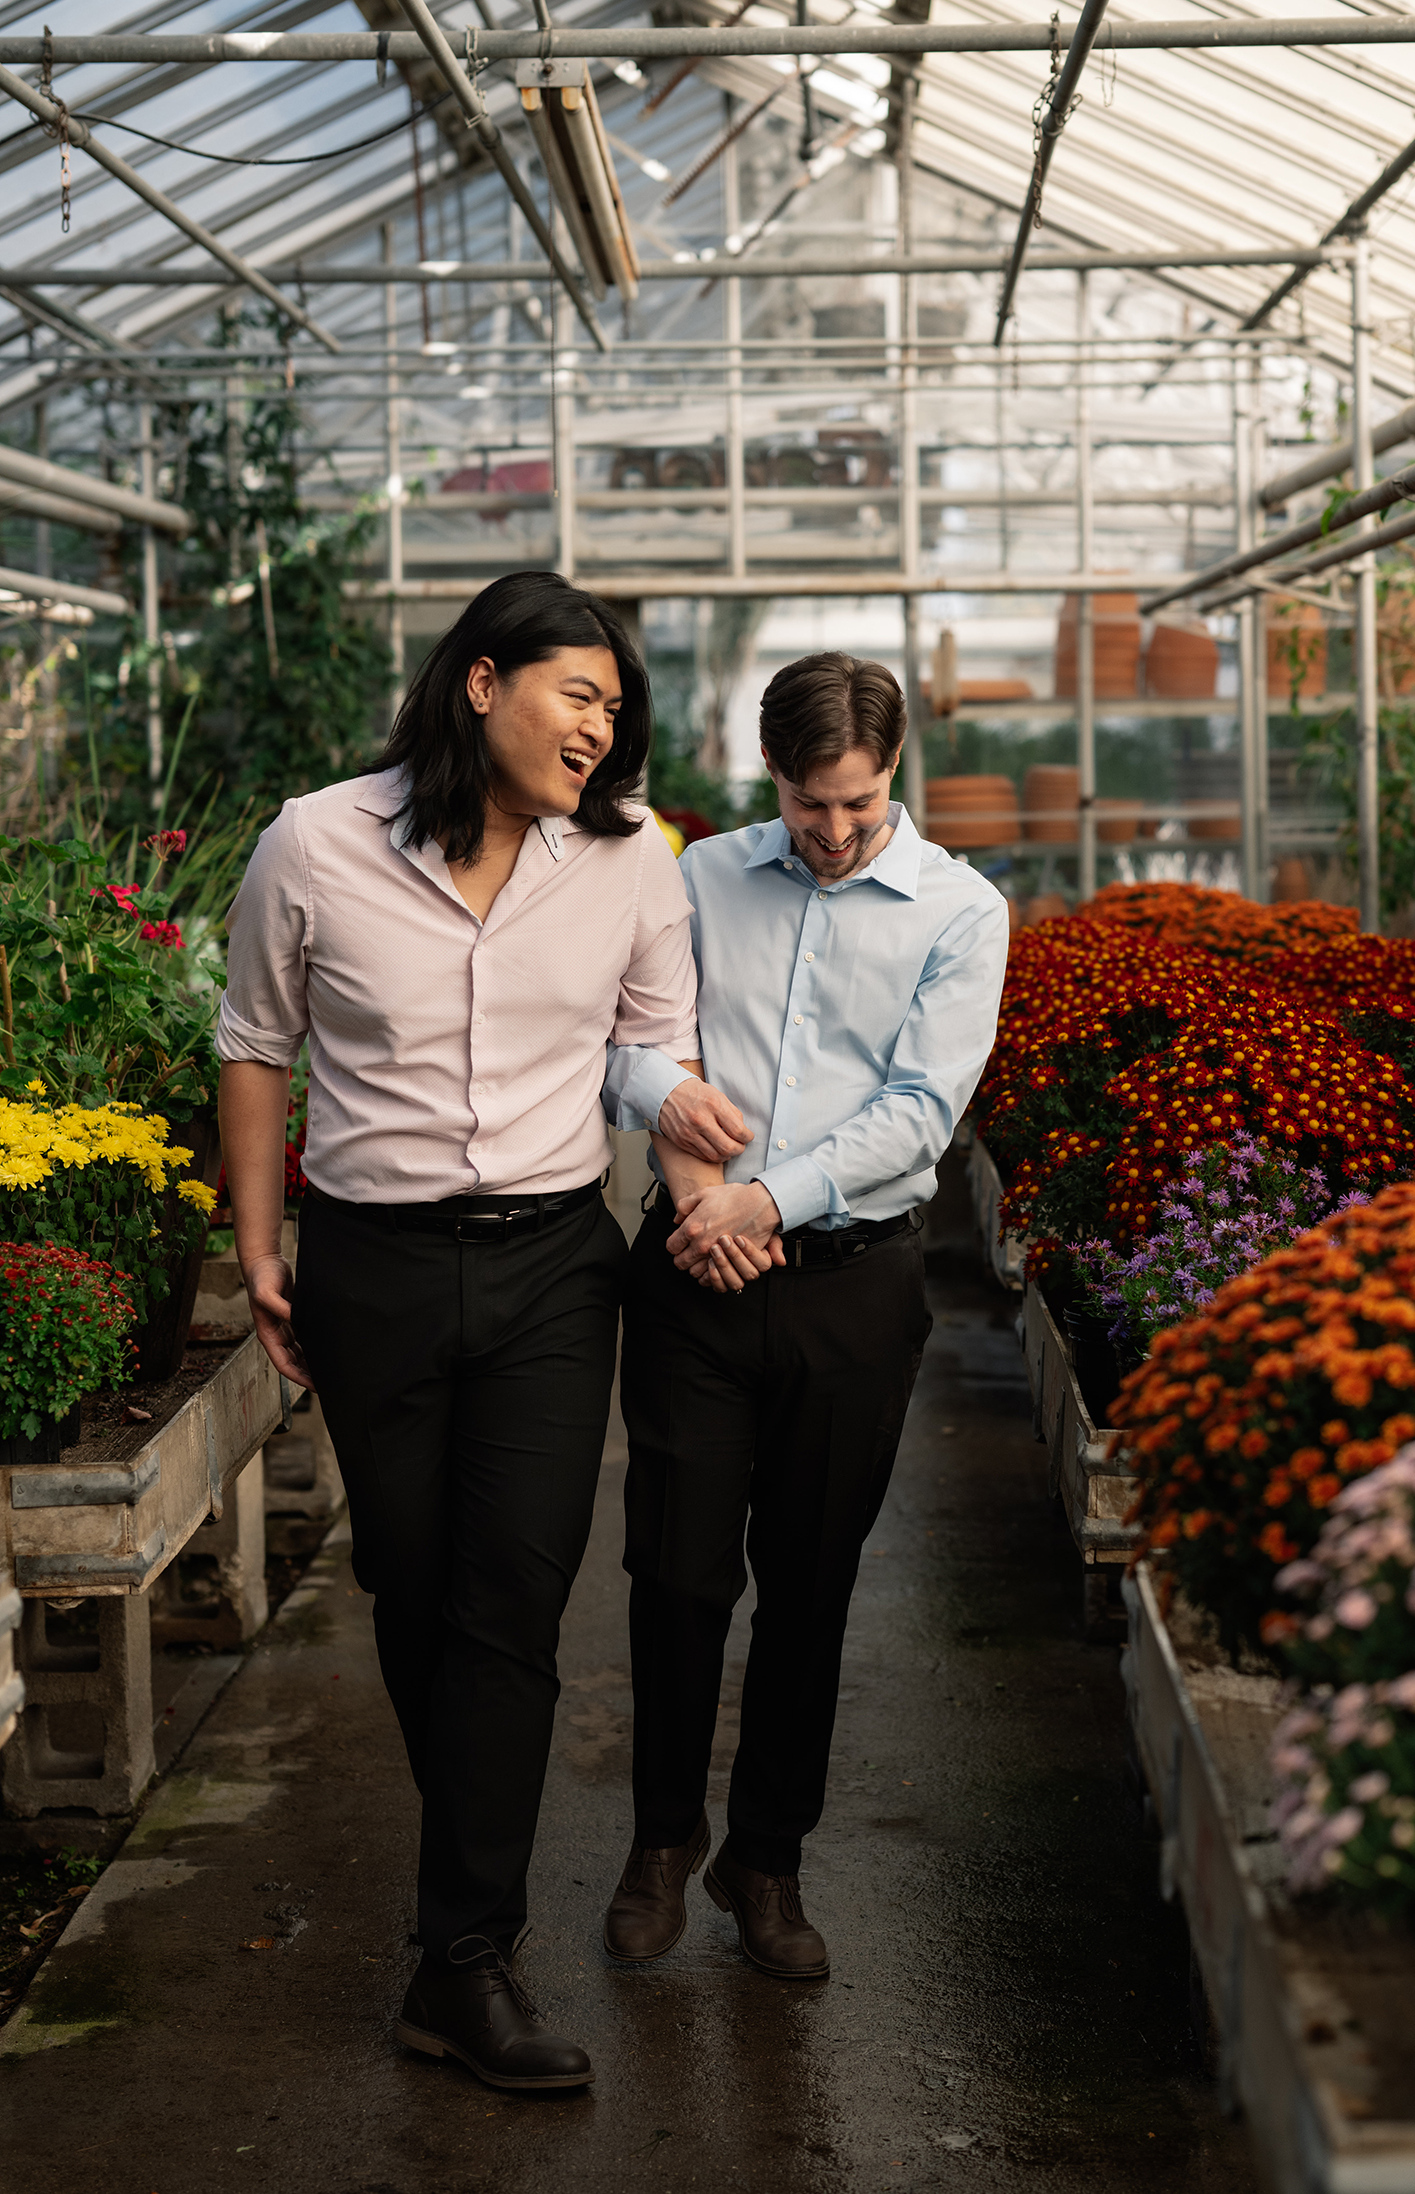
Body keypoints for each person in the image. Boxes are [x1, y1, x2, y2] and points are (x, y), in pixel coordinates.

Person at [216, 573, 755, 2093]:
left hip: (547, 1270)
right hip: (372, 1269)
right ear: (480, 684)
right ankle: (463, 1922)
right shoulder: (317, 841)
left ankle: (466, 1958)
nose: (603, 729)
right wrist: (264, 1249)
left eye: (615, 709)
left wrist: (690, 1125)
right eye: (578, 695)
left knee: (512, 1607)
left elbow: (646, 1048)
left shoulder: (631, 861)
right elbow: (255, 1045)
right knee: (410, 1585)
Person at [602, 651, 1010, 1979]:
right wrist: (689, 1169)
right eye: (809, 800)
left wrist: (763, 1201)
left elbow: (919, 1112)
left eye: (860, 801)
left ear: (895, 773)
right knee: (673, 1573)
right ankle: (662, 1840)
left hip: (853, 1284)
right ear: (766, 774)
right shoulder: (699, 879)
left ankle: (765, 1861)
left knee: (813, 1584)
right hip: (693, 1280)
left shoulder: (960, 910)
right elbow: (625, 1040)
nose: (834, 831)